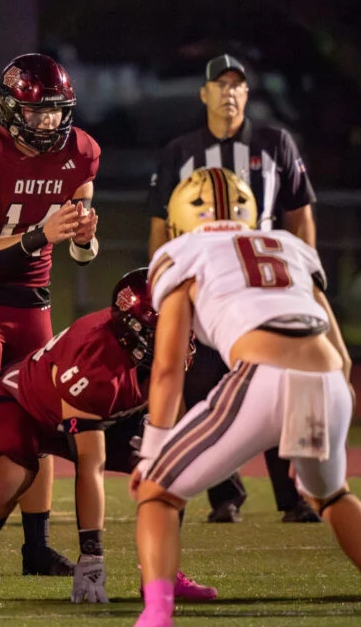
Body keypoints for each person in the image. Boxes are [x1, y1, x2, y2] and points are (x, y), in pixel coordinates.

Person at [132, 168, 361, 627]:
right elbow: (342, 357)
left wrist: (152, 450)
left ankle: (156, 617)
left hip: (263, 373)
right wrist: (320, 432)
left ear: (179, 218)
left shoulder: (181, 252)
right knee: (332, 495)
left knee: (157, 493)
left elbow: (168, 368)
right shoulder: (290, 246)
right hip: (325, 379)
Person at [0, 269, 216, 604]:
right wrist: (92, 556)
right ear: (133, 331)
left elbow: (167, 428)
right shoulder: (95, 362)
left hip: (85, 410)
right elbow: (91, 464)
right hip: (19, 404)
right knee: (12, 475)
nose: (179, 335)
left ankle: (160, 575)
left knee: (170, 466)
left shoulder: (157, 353)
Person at [0, 52, 101, 579]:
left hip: (34, 307)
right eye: (37, 112)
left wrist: (84, 240)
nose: (48, 122)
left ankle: (36, 547)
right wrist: (43, 234)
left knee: (41, 428)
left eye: (56, 111)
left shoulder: (82, 153)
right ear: (11, 110)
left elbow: (80, 251)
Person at [146, 54, 319, 524]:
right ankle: (224, 492)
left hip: (262, 287)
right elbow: (160, 224)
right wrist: (161, 283)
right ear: (204, 93)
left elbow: (300, 215)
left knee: (280, 382)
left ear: (247, 93)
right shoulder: (181, 151)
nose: (228, 91)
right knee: (204, 387)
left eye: (237, 84)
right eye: (219, 84)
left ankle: (297, 494)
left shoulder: (274, 143)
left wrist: (304, 275)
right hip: (206, 291)